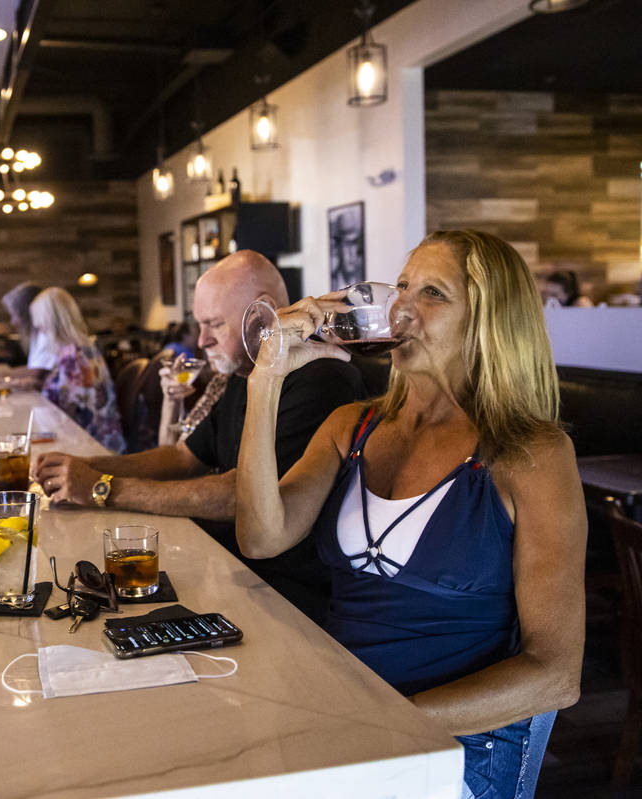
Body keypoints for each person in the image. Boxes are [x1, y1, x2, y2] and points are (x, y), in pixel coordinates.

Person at [234, 230, 585, 798]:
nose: (400, 306)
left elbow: (555, 675)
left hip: (453, 748)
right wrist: (266, 379)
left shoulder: (531, 454)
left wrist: (379, 720)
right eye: (400, 287)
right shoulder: (351, 427)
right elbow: (260, 537)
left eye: (433, 294)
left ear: (487, 321)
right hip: (343, 723)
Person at [34, 251, 366, 622]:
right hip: (229, 565)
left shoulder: (320, 378)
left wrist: (103, 488)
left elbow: (238, 495)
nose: (201, 340)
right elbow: (182, 456)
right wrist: (84, 466)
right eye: (200, 325)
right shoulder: (244, 372)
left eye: (214, 324)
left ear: (263, 311)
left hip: (284, 594)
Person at [30, 287, 126, 453]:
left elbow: (68, 414)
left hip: (91, 449)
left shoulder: (73, 356)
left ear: (50, 321)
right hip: (98, 441)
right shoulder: (82, 348)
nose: (38, 327)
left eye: (39, 321)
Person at [2, 281, 58, 387]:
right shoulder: (37, 334)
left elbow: (35, 372)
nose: (13, 322)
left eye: (15, 315)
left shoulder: (47, 334)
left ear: (28, 313)